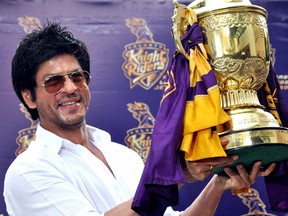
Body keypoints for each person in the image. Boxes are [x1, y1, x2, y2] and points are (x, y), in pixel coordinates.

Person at [3, 22, 275, 216]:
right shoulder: (28, 172)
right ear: (29, 97)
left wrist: (218, 183)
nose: (71, 88)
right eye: (54, 82)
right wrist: (173, 176)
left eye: (77, 76)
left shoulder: (123, 155)